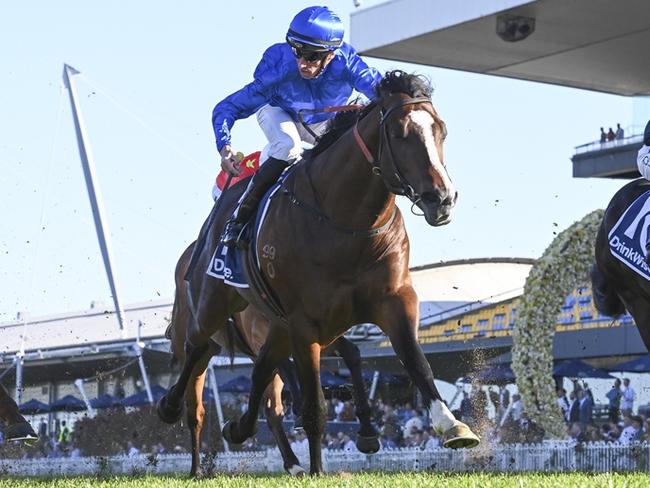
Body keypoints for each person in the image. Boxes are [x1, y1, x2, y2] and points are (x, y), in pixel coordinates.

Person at [213, 5, 382, 248]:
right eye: (297, 52)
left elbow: (382, 91)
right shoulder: (280, 67)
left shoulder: (348, 64)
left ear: (331, 55)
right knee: (288, 145)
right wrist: (224, 146)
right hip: (278, 112)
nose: (302, 62)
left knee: (359, 152)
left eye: (312, 56)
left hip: (323, 121)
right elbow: (226, 108)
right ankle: (239, 220)